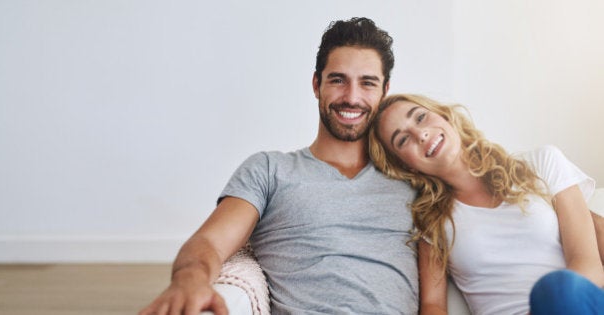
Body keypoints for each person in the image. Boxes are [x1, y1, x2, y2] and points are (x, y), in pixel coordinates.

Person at [139, 18, 419, 315]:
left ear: (384, 91)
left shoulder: (412, 178)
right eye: (338, 80)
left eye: (367, 83)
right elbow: (210, 241)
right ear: (316, 85)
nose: (351, 97)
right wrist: (189, 280)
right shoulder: (270, 170)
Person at [368, 93, 604, 315]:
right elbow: (433, 306)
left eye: (420, 117)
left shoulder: (543, 163)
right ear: (407, 165)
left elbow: (588, 264)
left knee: (558, 289)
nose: (420, 134)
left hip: (573, 303)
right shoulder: (432, 223)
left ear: (443, 115)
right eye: (403, 139)